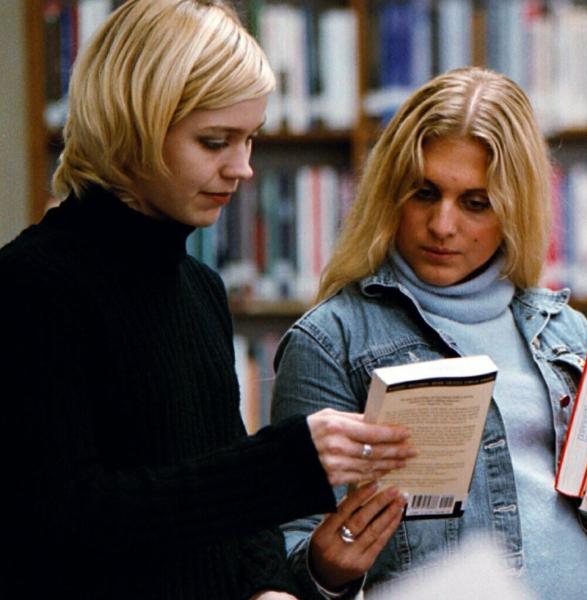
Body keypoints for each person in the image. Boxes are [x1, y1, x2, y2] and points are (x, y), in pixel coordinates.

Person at [270, 66, 587, 599]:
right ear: (390, 195)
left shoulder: (563, 329)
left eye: (475, 204)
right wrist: (326, 565)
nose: (442, 225)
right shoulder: (330, 340)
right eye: (424, 193)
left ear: (513, 208)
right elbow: (288, 557)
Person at [0, 1, 414, 597]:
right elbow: (67, 518)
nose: (242, 168)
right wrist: (283, 464)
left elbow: (230, 509)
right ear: (133, 128)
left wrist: (266, 585)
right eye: (215, 141)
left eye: (250, 139)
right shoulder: (34, 285)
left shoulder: (200, 287)